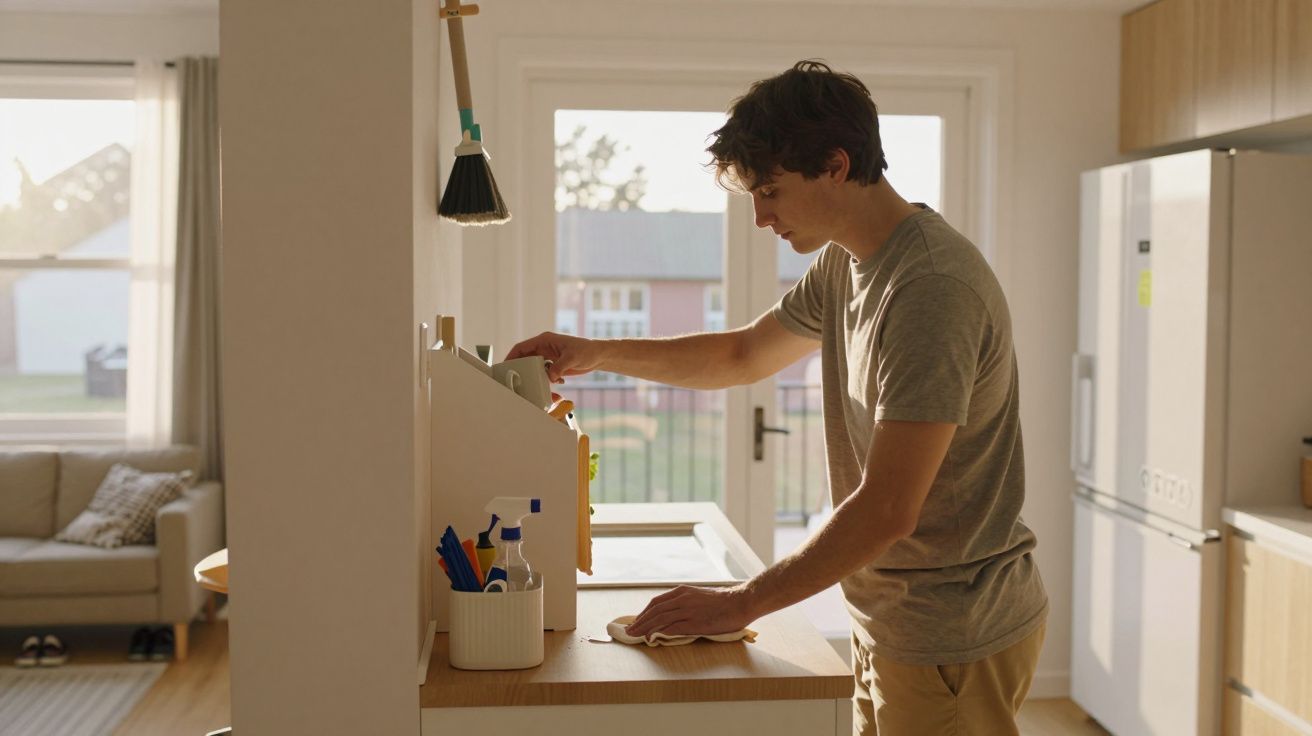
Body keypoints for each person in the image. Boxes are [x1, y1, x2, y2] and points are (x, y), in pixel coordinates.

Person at [507, 60, 1047, 735]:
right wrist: (598, 352)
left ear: (837, 165)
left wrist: (741, 603)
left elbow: (887, 508)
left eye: (770, 191)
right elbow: (742, 355)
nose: (761, 217)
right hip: (893, 618)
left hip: (953, 631)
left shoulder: (930, 290)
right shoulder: (846, 262)